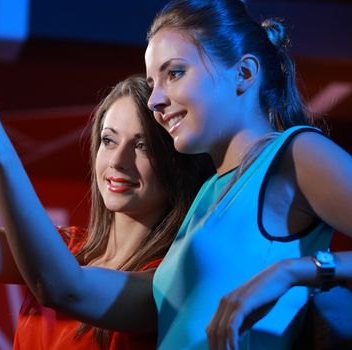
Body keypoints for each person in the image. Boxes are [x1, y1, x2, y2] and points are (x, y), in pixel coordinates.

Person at [0, 59, 213, 349]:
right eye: (108, 140)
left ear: (177, 164)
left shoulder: (171, 279)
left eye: (143, 146)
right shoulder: (64, 248)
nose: (118, 161)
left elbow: (62, 287)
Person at [143, 0, 352, 349]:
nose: (154, 100)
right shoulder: (209, 190)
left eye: (174, 73)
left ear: (244, 73)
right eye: (152, 83)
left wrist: (294, 271)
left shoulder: (295, 153)